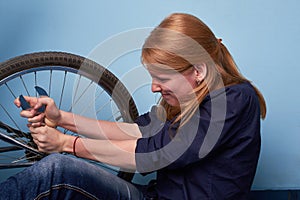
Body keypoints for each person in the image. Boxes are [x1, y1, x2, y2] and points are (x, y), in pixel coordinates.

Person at [0, 13, 266, 200]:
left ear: (197, 71)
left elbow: (157, 153)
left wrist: (66, 145)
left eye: (161, 78)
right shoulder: (186, 99)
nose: (153, 88)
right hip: (153, 195)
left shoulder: (233, 101)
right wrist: (62, 118)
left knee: (57, 169)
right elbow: (136, 132)